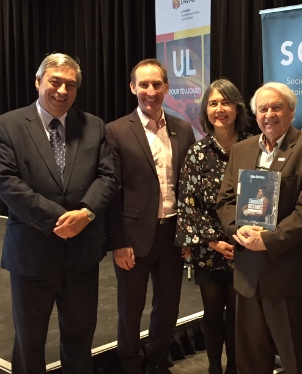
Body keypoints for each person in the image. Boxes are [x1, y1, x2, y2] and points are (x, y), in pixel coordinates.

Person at [0, 53, 117, 373]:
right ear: (38, 82)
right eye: (55, 82)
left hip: (82, 255)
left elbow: (108, 177)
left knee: (80, 338)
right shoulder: (8, 124)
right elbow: (5, 181)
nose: (62, 90)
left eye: (70, 84)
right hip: (32, 253)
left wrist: (86, 213)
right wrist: (60, 219)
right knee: (29, 341)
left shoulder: (94, 125)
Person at [216, 82, 302, 374]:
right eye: (263, 109)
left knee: (295, 359)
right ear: (255, 115)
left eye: (276, 107)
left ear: (291, 111)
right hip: (247, 273)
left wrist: (269, 239)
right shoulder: (240, 150)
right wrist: (236, 231)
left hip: (288, 273)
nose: (269, 114)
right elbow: (226, 201)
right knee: (250, 359)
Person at [105, 58, 195, 374]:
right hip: (133, 237)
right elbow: (111, 193)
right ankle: (130, 364)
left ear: (167, 88)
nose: (151, 91)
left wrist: (188, 236)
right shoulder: (115, 131)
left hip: (172, 233)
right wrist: (118, 242)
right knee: (130, 309)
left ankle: (158, 361)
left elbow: (189, 187)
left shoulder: (183, 129)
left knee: (168, 306)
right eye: (144, 84)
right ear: (133, 88)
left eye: (157, 84)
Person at [175, 78, 251, 374]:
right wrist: (213, 242)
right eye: (213, 103)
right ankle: (213, 368)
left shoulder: (255, 145)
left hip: (247, 246)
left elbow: (266, 196)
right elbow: (188, 204)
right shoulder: (197, 153)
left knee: (238, 316)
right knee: (212, 313)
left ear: (237, 107)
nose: (220, 109)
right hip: (210, 250)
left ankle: (234, 367)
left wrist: (242, 239)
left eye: (226, 102)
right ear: (206, 111)